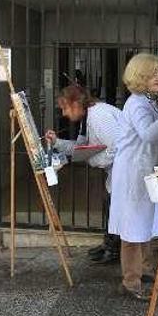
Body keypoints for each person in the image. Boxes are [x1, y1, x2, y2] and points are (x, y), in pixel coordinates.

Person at [110, 54, 158, 300]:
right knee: (133, 228)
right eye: (153, 73)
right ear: (141, 77)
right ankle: (130, 281)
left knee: (146, 222)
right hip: (134, 173)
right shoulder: (136, 103)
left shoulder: (150, 101)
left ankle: (144, 270)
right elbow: (148, 134)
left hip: (145, 170)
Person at [45, 84, 123, 263]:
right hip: (116, 170)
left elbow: (118, 147)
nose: (64, 113)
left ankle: (114, 251)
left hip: (125, 168)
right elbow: (80, 148)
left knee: (114, 207)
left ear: (75, 103)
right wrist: (57, 142)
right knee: (110, 204)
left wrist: (94, 161)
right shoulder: (87, 118)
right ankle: (110, 245)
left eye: (65, 108)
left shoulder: (98, 116)